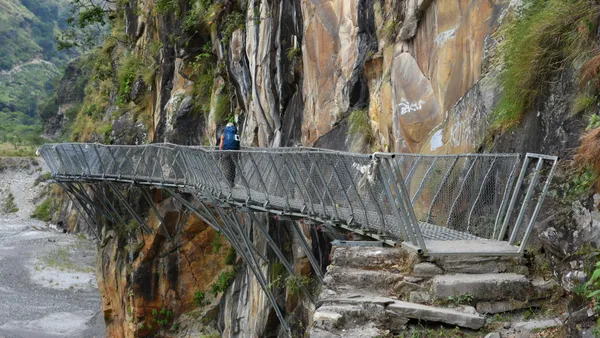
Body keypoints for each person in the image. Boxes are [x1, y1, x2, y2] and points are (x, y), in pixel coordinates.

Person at [218, 122, 240, 186]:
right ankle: (232, 182)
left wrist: (220, 151)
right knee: (233, 166)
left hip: (226, 151)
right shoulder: (236, 133)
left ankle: (227, 182)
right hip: (234, 152)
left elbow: (221, 143)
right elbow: (238, 143)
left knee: (227, 166)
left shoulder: (224, 133)